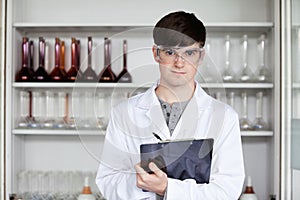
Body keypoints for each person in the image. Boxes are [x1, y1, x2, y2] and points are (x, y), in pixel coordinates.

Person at [96, 11, 245, 200]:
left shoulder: (224, 116)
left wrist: (167, 188)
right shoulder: (124, 113)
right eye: (170, 52)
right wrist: (141, 183)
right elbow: (108, 181)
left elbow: (227, 190)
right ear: (156, 54)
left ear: (201, 56)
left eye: (189, 53)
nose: (179, 63)